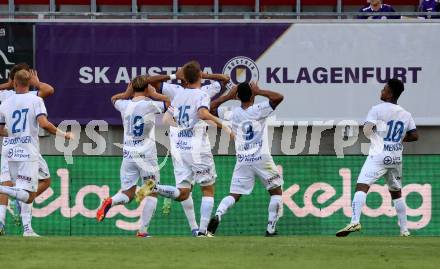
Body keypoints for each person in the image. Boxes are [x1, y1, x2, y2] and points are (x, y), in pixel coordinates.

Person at [136, 61, 228, 237]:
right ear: (199, 76)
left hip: (178, 147)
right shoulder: (205, 92)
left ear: (184, 78)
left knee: (184, 193)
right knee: (208, 189)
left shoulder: (175, 91)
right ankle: (202, 231)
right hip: (198, 148)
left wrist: (173, 76)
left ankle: (155, 188)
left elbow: (150, 81)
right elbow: (224, 79)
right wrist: (205, 76)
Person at [336, 78, 418, 237]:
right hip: (395, 157)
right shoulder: (406, 114)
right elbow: (415, 135)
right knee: (396, 192)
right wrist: (399, 139)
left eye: (384, 89)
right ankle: (404, 230)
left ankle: (354, 221)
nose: (381, 91)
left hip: (379, 154)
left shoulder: (377, 109)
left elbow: (367, 131)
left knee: (361, 186)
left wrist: (378, 138)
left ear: (390, 93)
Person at [206, 82, 284, 237]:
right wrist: (259, 91)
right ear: (253, 95)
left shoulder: (232, 113)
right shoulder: (259, 109)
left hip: (243, 159)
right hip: (262, 158)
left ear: (237, 97)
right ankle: (270, 229)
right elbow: (279, 97)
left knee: (234, 194)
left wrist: (228, 96)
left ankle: (219, 214)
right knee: (276, 192)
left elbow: (210, 108)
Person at [96, 75, 170, 238]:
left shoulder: (124, 104)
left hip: (128, 155)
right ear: (147, 88)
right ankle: (142, 231)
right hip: (146, 156)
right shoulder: (151, 104)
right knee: (152, 191)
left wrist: (125, 93)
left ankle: (111, 201)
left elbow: (113, 99)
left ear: (131, 88)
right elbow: (172, 104)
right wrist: (156, 95)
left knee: (127, 194)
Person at [0, 70, 72, 236]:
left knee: (25, 190)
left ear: (15, 82)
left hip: (9, 150)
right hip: (27, 151)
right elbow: (44, 124)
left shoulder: (5, 103)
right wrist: (64, 135)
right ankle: (27, 229)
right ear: (30, 82)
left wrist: (15, 134)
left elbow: (1, 130)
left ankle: (26, 229)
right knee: (30, 195)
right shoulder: (36, 99)